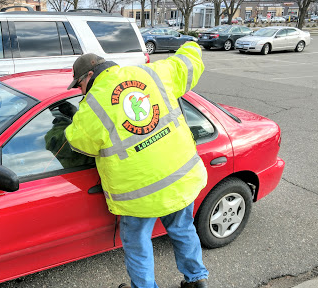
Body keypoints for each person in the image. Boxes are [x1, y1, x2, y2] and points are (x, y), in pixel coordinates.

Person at [64, 41, 209, 288]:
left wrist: (68, 121)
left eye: (79, 85)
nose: (80, 91)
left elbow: (79, 144)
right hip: (179, 179)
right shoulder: (149, 73)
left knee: (137, 243)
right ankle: (197, 280)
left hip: (140, 193)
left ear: (90, 75)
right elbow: (188, 64)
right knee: (183, 229)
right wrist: (191, 45)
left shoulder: (94, 103)